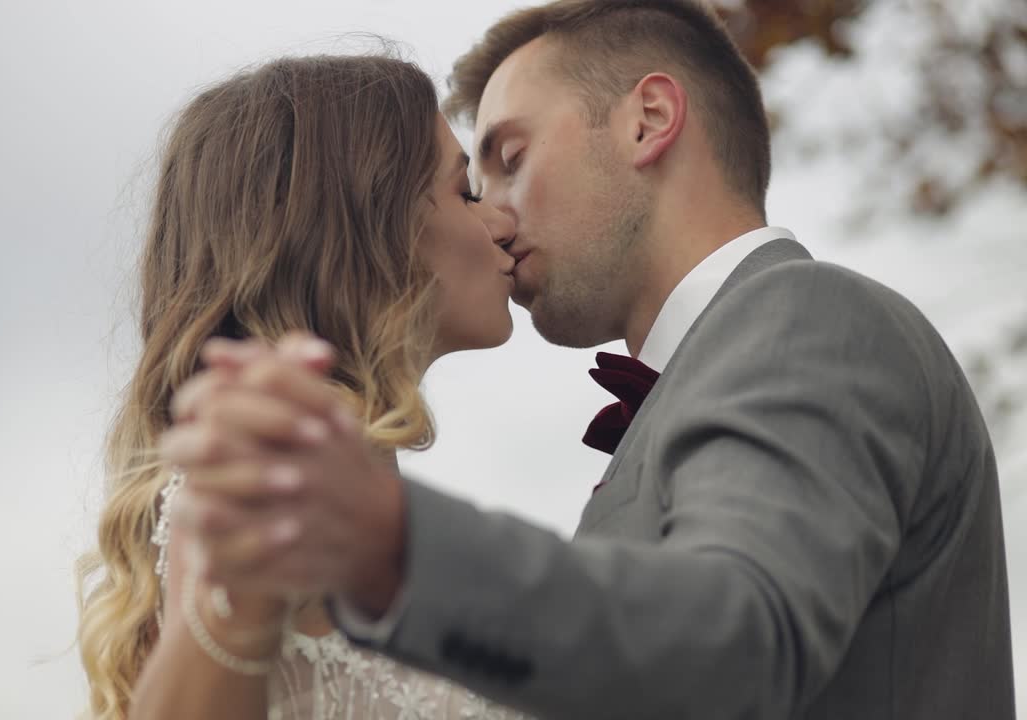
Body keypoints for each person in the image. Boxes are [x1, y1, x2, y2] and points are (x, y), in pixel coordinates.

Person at [162, 1, 1015, 718]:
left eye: (509, 159)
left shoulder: (810, 317)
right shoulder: (690, 403)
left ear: (648, 121)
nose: (494, 216)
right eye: (470, 185)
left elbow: (742, 642)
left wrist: (394, 543)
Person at [75, 52, 539, 719]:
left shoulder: (353, 486)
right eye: (464, 191)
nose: (501, 223)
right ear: (371, 227)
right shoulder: (261, 480)